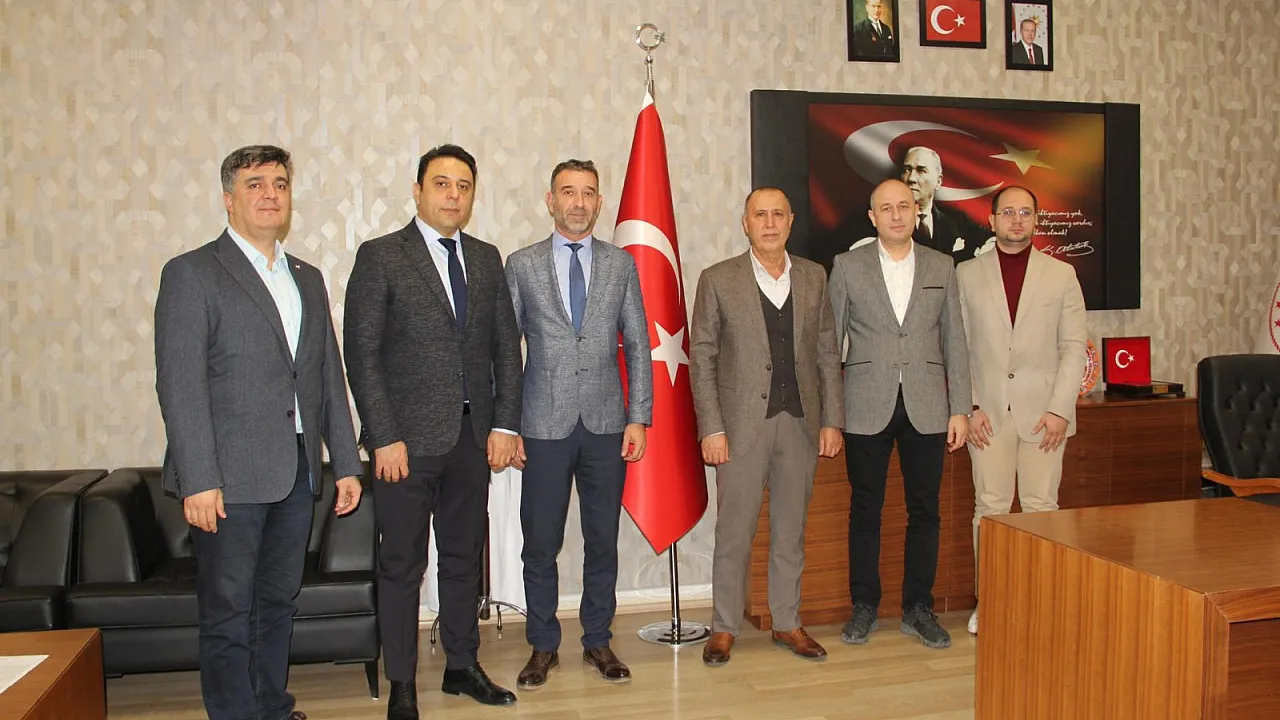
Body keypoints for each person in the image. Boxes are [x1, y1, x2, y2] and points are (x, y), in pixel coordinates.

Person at [154, 144, 364, 720]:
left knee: (277, 602)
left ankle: (271, 706)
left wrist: (346, 464)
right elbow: (180, 386)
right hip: (227, 478)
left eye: (279, 183)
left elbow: (326, 377)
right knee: (228, 610)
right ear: (229, 199)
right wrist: (199, 479)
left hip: (296, 472)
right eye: (255, 184)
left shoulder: (306, 278)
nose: (270, 194)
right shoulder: (192, 273)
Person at [343, 144, 523, 718]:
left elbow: (506, 350)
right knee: (402, 564)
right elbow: (361, 354)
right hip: (405, 445)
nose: (453, 194)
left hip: (472, 439)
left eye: (463, 185)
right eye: (442, 183)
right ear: (418, 191)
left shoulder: (487, 259)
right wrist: (382, 435)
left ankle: (461, 666)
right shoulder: (382, 256)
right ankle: (401, 683)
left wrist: (505, 424)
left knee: (464, 557)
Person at [503, 159, 652, 690]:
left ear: (599, 202)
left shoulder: (620, 264)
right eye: (568, 192)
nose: (579, 202)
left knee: (602, 539)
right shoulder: (521, 265)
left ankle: (597, 640)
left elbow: (638, 343)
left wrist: (639, 417)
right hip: (541, 425)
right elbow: (506, 351)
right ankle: (543, 645)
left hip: (607, 425)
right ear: (551, 200)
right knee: (540, 542)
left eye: (588, 193)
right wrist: (507, 425)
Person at [690, 187, 844, 667]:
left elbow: (827, 353)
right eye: (761, 215)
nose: (770, 223)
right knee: (734, 532)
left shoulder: (814, 276)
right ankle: (724, 627)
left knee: (790, 530)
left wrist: (832, 420)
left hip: (800, 423)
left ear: (791, 221)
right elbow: (702, 358)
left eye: (779, 214)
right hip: (739, 429)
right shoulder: (718, 279)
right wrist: (711, 428)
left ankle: (786, 621)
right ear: (746, 223)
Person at [827, 179, 971, 650]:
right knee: (865, 509)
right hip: (866, 404)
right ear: (872, 217)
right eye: (886, 208)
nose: (895, 215)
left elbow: (955, 341)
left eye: (903, 206)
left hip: (928, 407)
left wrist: (960, 408)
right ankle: (864, 606)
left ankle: (918, 608)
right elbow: (829, 345)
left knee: (925, 511)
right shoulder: (847, 266)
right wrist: (831, 413)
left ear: (916, 210)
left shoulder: (941, 265)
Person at [957, 186, 1086, 635]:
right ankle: (991, 602)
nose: (1016, 220)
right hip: (987, 414)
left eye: (1025, 213)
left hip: (1044, 415)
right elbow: (957, 346)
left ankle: (1041, 604)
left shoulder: (1062, 275)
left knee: (1041, 509)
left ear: (1036, 220)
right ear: (992, 220)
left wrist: (1060, 410)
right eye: (1008, 212)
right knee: (990, 509)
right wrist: (969, 405)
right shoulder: (966, 274)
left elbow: (1073, 348)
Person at [900, 146, 988, 263]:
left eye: (921, 170)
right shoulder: (886, 219)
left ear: (938, 181)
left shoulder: (956, 220)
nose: (911, 178)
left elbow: (990, 237)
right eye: (907, 170)